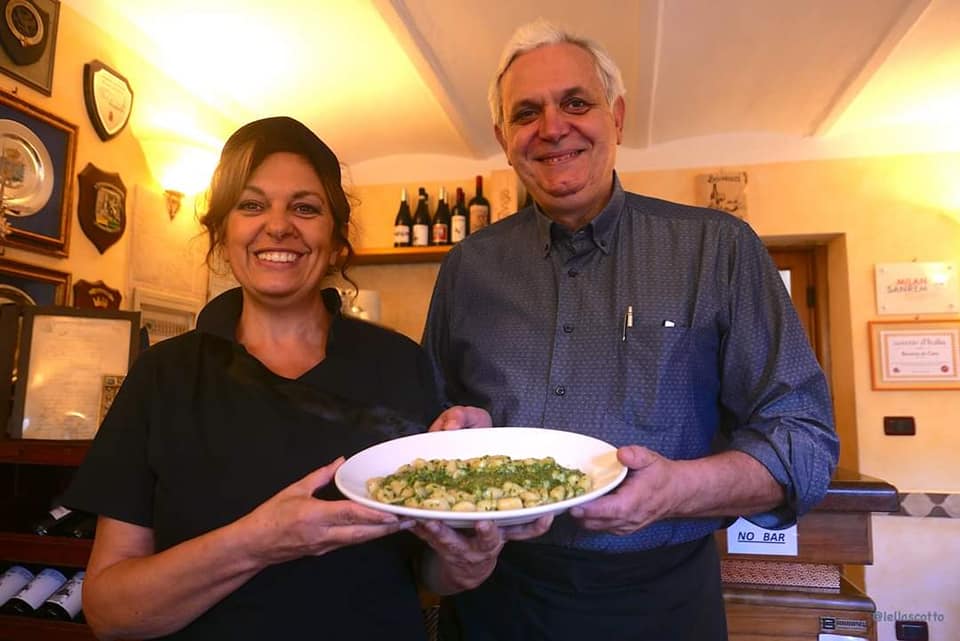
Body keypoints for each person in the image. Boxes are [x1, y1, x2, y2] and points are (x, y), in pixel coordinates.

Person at [422, 20, 840, 641]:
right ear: (505, 140)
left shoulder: (717, 248)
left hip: (662, 603)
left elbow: (805, 442)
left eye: (576, 103)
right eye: (526, 113)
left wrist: (677, 489)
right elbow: (426, 428)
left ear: (616, 118)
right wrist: (457, 432)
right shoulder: (468, 267)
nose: (552, 127)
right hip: (494, 599)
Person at [62, 116, 547, 640]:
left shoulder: (401, 364)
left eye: (305, 208)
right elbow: (110, 613)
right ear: (222, 234)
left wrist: (468, 562)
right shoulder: (163, 377)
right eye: (251, 205)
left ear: (335, 239)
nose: (278, 226)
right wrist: (256, 543)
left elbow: (425, 572)